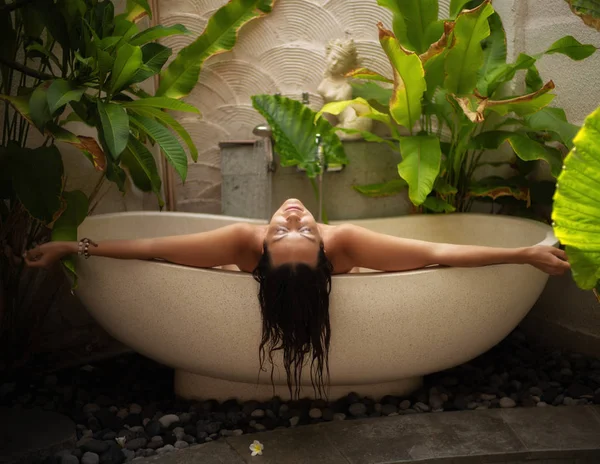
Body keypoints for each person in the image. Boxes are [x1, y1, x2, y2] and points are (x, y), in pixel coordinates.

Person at [24, 198, 570, 399]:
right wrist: (79, 246)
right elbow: (151, 248)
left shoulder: (343, 243)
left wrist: (521, 254)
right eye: (291, 232)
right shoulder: (246, 241)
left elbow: (437, 251)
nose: (291, 221)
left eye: (300, 232)